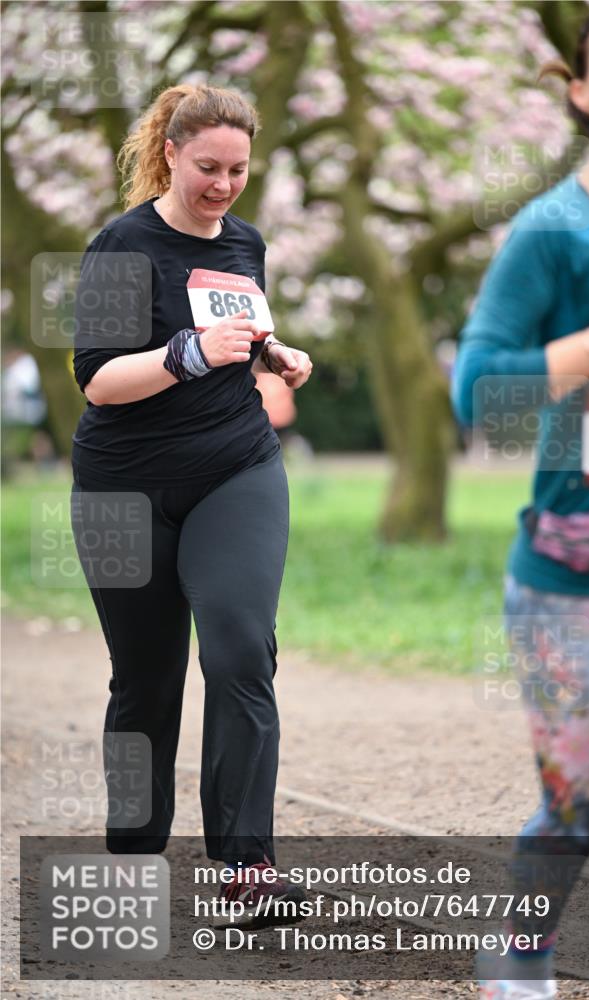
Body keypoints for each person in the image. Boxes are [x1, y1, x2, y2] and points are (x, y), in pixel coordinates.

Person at [452, 3, 589, 997]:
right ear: (580, 90)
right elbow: (480, 399)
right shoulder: (551, 232)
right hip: (573, 572)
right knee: (580, 805)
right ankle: (520, 949)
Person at [70, 83, 312, 927]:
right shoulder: (119, 245)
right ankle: (135, 852)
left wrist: (275, 354)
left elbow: (233, 333)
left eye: (238, 169)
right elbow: (99, 380)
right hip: (123, 486)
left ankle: (248, 864)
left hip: (234, 467)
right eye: (207, 166)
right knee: (145, 680)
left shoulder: (245, 242)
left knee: (241, 653)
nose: (222, 185)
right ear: (170, 152)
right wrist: (186, 352)